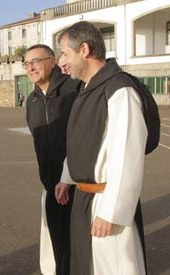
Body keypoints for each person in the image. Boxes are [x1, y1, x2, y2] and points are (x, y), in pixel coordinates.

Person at [56, 21, 148, 275]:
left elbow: (127, 155)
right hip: (84, 198)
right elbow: (80, 142)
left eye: (64, 53)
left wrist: (112, 211)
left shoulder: (120, 90)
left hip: (106, 202)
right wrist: (67, 177)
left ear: (84, 49)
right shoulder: (87, 90)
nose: (61, 61)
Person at [23, 44, 79, 275]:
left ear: (53, 61)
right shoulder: (32, 101)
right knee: (60, 248)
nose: (30, 67)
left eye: (36, 61)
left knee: (83, 248)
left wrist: (70, 176)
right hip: (51, 187)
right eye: (26, 63)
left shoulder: (75, 89)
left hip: (80, 186)